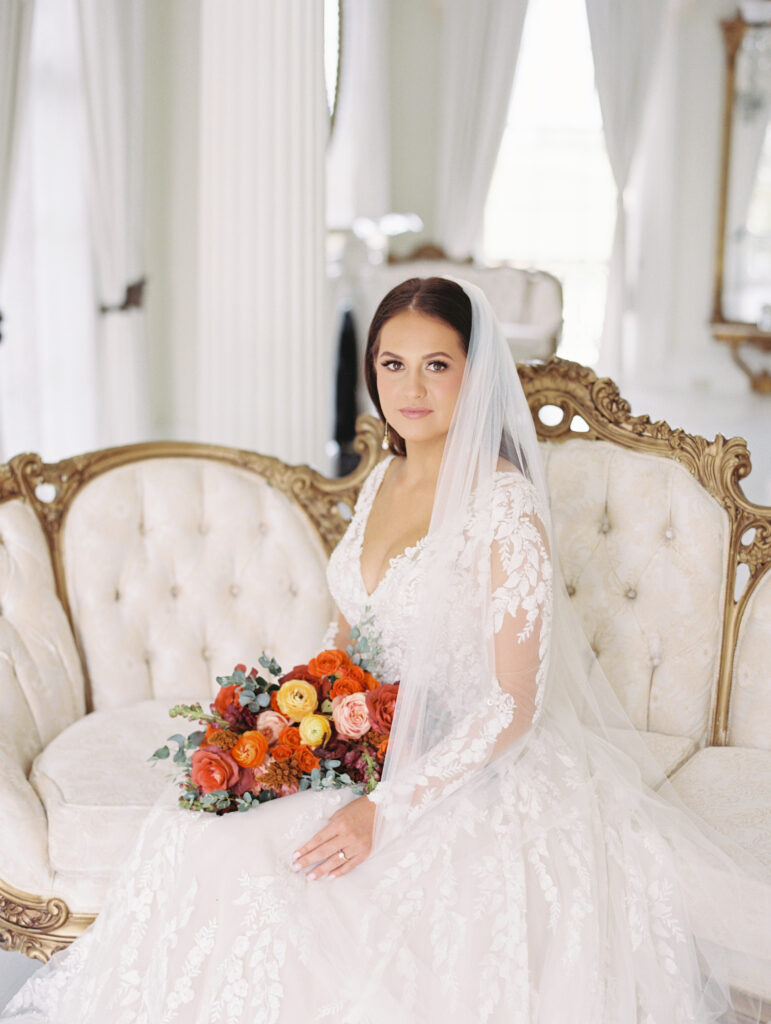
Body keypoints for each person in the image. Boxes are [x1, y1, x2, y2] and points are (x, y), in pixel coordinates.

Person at [3, 277, 770, 1023]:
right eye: (390, 365)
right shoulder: (383, 479)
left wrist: (385, 808)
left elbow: (513, 703)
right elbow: (348, 634)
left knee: (293, 872)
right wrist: (284, 725)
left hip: (468, 763)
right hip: (367, 737)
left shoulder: (501, 504)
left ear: (474, 375)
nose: (411, 387)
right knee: (199, 826)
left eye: (436, 364)